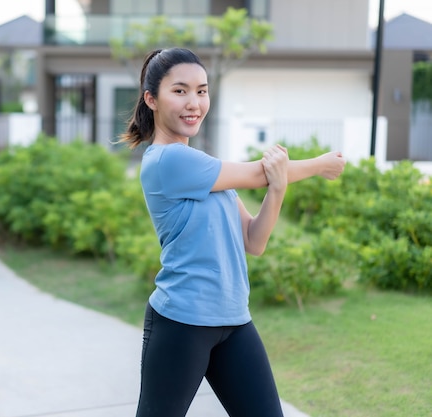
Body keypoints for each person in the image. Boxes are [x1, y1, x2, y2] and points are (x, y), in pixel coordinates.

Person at [120, 47, 346, 417]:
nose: (194, 102)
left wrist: (278, 188)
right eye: (179, 91)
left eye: (202, 90)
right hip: (182, 323)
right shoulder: (168, 161)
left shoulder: (209, 171)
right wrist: (320, 165)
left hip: (234, 321)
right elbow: (258, 172)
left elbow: (254, 241)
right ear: (152, 99)